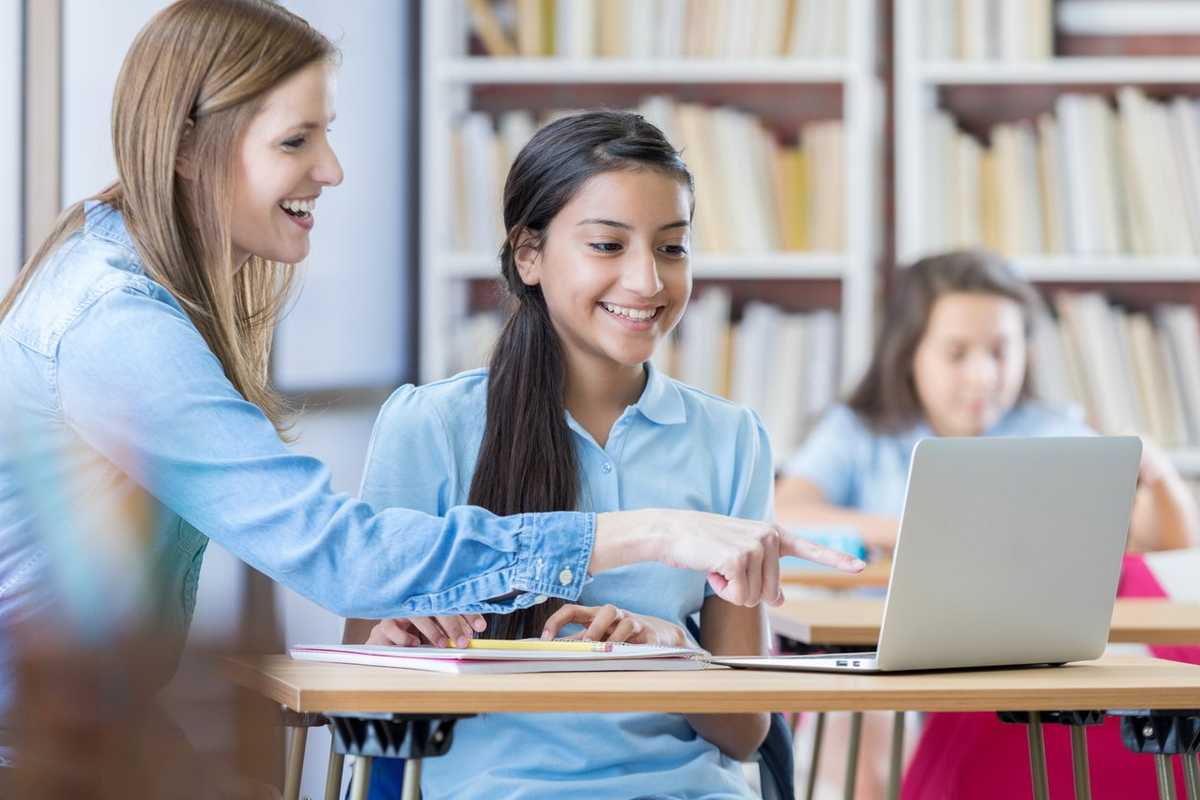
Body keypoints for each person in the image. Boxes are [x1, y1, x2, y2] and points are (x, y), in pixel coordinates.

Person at [0, 0, 862, 726]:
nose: (332, 170)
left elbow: (744, 725)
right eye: (295, 141)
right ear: (189, 147)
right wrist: (653, 531)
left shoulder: (128, 282)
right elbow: (341, 559)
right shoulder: (116, 325)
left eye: (326, 135)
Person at [345, 110, 772, 800]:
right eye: (607, 245)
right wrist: (393, 650)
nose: (647, 281)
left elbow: (746, 731)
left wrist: (673, 652)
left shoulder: (731, 438)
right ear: (529, 255)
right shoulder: (432, 426)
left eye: (672, 248)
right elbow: (355, 697)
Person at [776, 249, 1200, 799]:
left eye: (1001, 351)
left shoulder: (1052, 430)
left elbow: (1164, 547)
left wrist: (1157, 476)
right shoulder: (859, 432)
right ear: (909, 353)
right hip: (883, 654)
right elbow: (786, 512)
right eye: (957, 354)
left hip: (1020, 658)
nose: (982, 375)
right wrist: (913, 530)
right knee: (863, 728)